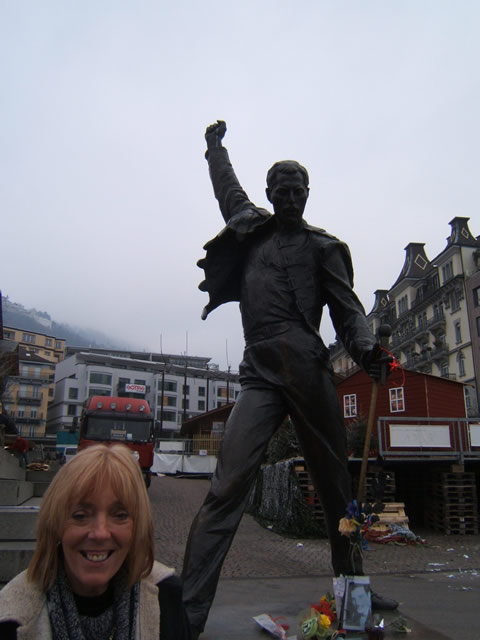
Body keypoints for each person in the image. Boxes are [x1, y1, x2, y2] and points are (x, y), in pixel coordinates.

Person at [182, 120, 397, 638]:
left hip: (307, 369)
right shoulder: (250, 228)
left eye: (298, 190)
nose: (291, 197)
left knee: (337, 488)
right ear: (269, 193)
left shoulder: (324, 248)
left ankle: (354, 587)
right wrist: (214, 149)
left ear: (308, 193)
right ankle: (185, 612)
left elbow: (348, 311)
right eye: (282, 190)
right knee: (226, 485)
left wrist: (367, 350)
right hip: (260, 374)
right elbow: (226, 187)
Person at [0, 443, 192, 639]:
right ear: (55, 524)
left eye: (120, 515)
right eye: (80, 516)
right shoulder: (11, 619)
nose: (100, 534)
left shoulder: (166, 596)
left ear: (138, 525)